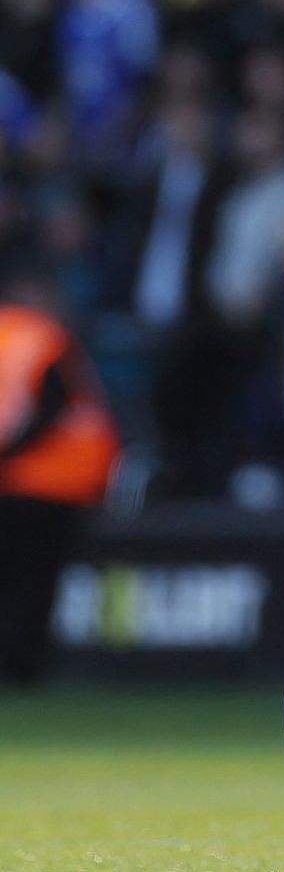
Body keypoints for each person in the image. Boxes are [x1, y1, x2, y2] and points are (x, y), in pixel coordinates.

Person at [0, 265, 120, 686]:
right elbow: (50, 412)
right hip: (48, 486)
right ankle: (21, 670)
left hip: (16, 484)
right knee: (32, 586)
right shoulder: (43, 337)